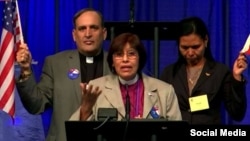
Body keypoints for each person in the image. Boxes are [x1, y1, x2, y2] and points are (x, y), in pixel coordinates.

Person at [15, 8, 110, 141]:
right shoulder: (55, 63)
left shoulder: (117, 65)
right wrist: (25, 70)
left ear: (104, 33)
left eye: (93, 28)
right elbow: (36, 105)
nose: (88, 34)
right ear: (74, 35)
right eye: (82, 29)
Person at [69, 32, 182, 121]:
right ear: (112, 61)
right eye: (119, 54)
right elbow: (76, 133)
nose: (125, 60)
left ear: (140, 58)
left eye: (131, 54)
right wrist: (85, 110)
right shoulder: (96, 87)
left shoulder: (165, 91)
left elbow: (177, 133)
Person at [160, 16, 248, 124]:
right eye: (185, 47)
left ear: (205, 40)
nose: (190, 53)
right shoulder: (169, 73)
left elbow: (237, 114)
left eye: (196, 47)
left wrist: (236, 77)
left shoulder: (219, 72)